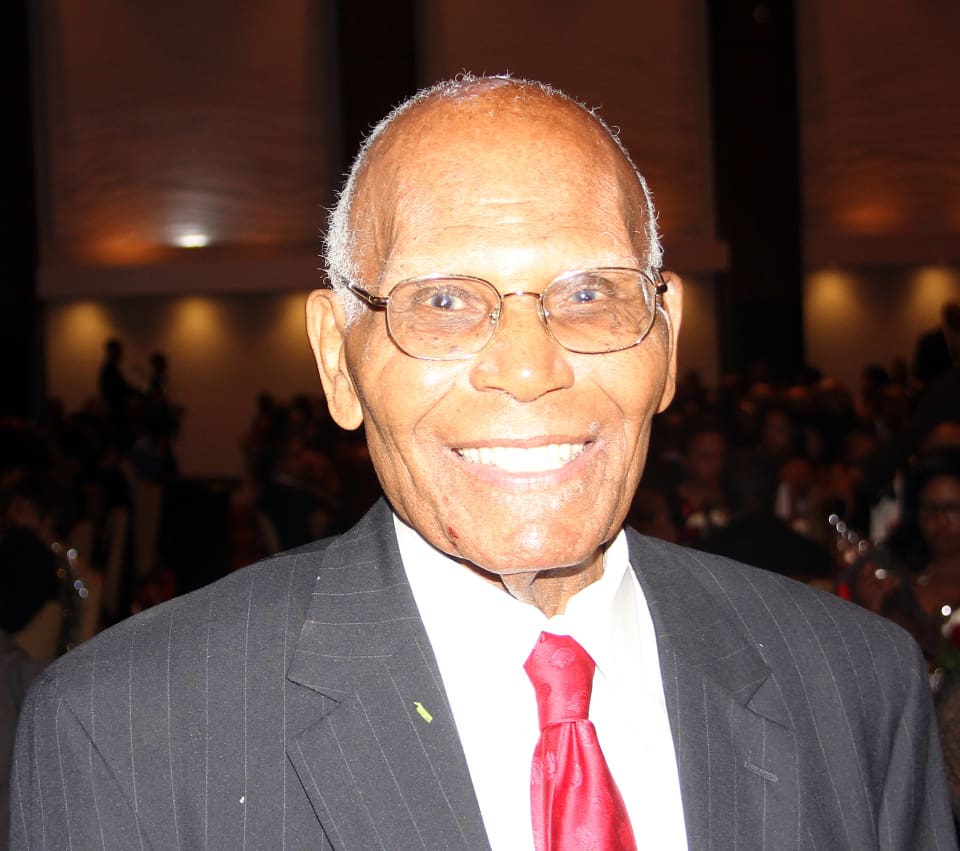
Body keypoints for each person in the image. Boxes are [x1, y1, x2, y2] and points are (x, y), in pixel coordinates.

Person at [11, 75, 955, 849]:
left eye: (589, 291)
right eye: (446, 302)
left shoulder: (857, 687)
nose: (530, 368)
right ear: (339, 361)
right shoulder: (129, 732)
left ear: (664, 337)